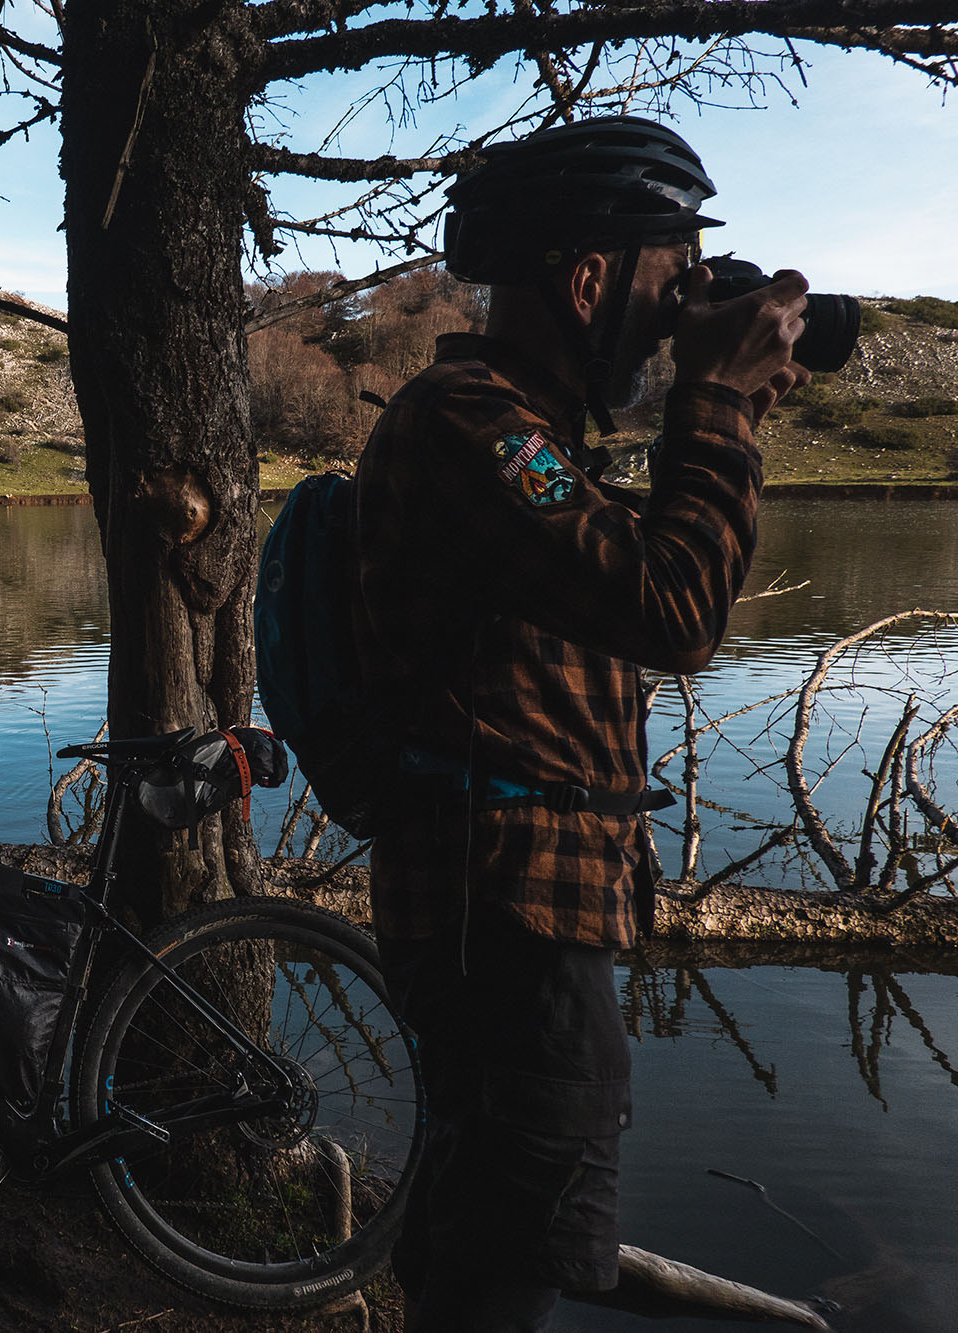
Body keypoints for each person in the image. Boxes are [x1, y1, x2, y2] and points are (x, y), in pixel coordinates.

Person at [352, 116, 810, 1330]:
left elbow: (637, 579)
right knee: (496, 1276)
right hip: (504, 924)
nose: (677, 308)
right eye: (670, 276)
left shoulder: (520, 435)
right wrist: (712, 399)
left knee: (468, 1254)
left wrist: (723, 402)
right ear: (588, 278)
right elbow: (670, 608)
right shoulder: (476, 429)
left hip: (508, 915)